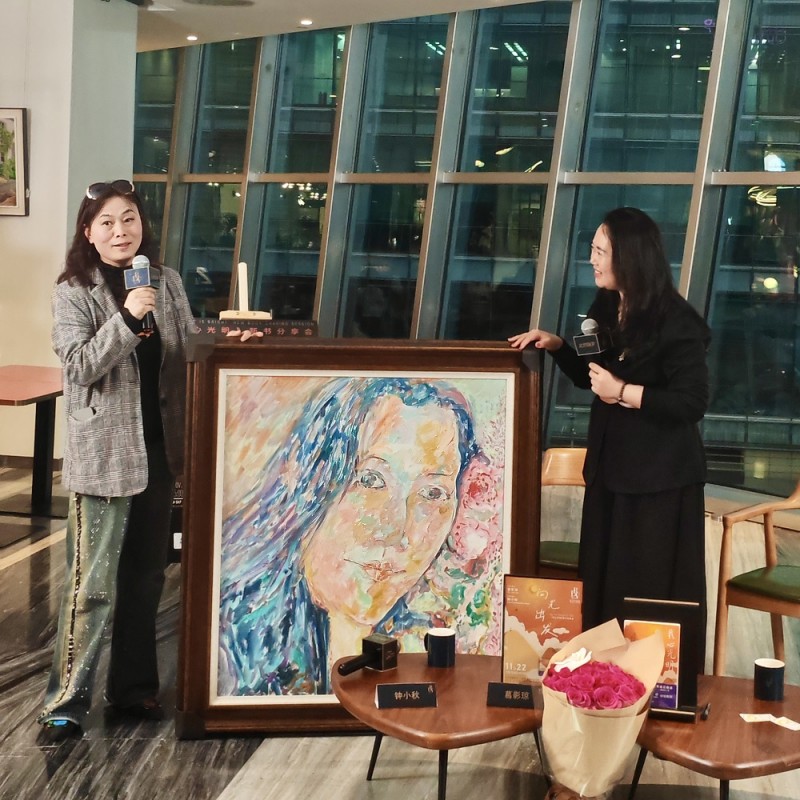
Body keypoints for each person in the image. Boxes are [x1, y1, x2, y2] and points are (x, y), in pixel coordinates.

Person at [509, 206, 710, 669]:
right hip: (610, 470)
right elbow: (592, 376)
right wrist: (557, 346)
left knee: (646, 586)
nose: (592, 259)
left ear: (629, 256)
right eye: (593, 249)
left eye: (601, 251)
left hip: (659, 480)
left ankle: (650, 680)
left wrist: (623, 393)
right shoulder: (606, 305)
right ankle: (601, 676)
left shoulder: (677, 322)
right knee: (604, 583)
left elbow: (691, 403)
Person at [217, 377, 504, 696]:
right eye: (370, 480)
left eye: (433, 493)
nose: (398, 531)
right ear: (307, 477)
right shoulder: (229, 650)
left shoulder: (437, 639)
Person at [37, 179, 195, 740]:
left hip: (159, 452)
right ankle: (65, 703)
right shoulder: (73, 290)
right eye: (106, 222)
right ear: (88, 232)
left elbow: (187, 353)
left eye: (129, 218)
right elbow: (79, 366)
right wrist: (127, 319)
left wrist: (226, 344)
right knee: (92, 584)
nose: (121, 230)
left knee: (146, 579)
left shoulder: (166, 282)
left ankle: (132, 690)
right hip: (103, 454)